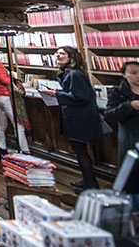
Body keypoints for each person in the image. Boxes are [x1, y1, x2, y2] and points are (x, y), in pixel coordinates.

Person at [42, 46, 101, 191]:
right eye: (56, 54)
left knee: (82, 153)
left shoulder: (76, 74)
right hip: (74, 118)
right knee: (80, 152)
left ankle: (91, 184)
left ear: (71, 57)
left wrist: (57, 95)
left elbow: (82, 97)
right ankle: (87, 180)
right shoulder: (68, 74)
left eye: (62, 54)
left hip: (80, 119)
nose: (57, 56)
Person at [0, 49, 30, 154]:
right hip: (4, 95)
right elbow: (3, 79)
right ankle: (24, 150)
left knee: (1, 123)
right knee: (17, 124)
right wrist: (11, 77)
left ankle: (2, 148)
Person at [104, 61, 139, 165]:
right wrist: (129, 106)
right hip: (131, 138)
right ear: (124, 74)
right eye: (133, 73)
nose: (138, 76)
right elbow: (109, 115)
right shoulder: (117, 92)